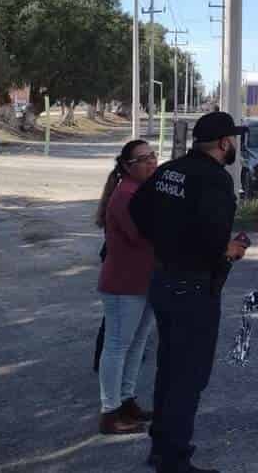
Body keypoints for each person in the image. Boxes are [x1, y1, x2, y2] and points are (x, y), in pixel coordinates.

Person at [131, 111, 249, 473]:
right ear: (224, 143)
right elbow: (212, 239)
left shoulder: (170, 170)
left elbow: (138, 208)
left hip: (164, 282)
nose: (236, 147)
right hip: (192, 289)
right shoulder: (215, 180)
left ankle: (162, 447)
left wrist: (168, 243)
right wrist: (228, 250)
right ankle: (174, 460)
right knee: (188, 377)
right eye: (235, 140)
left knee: (170, 369)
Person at [96, 139, 159, 435]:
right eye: (143, 159)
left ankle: (126, 400)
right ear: (126, 166)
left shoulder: (143, 192)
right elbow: (142, 236)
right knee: (117, 345)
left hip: (145, 282)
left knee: (137, 344)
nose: (151, 162)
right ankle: (110, 412)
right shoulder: (126, 195)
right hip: (123, 285)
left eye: (153, 156)